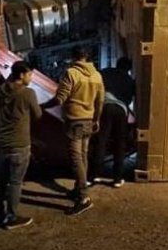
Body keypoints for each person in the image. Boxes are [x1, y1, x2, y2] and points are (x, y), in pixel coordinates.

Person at [42, 46, 104, 216]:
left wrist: (42, 106)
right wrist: (96, 119)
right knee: (83, 156)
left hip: (75, 121)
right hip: (89, 121)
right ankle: (78, 189)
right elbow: (100, 100)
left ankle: (83, 198)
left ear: (74, 58)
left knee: (76, 158)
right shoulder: (97, 76)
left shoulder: (71, 73)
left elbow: (60, 98)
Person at [0, 61, 41, 229]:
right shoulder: (27, 94)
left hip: (1, 144)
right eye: (29, 74)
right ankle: (12, 218)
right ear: (21, 75)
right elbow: (38, 114)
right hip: (19, 145)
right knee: (15, 182)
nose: (31, 78)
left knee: (0, 182)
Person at [90, 57, 134, 188]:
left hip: (104, 107)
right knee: (120, 143)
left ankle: (94, 175)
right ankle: (117, 179)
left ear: (117, 64)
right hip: (121, 110)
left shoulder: (105, 72)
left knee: (101, 141)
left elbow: (95, 87)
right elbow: (129, 100)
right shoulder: (129, 81)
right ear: (129, 69)